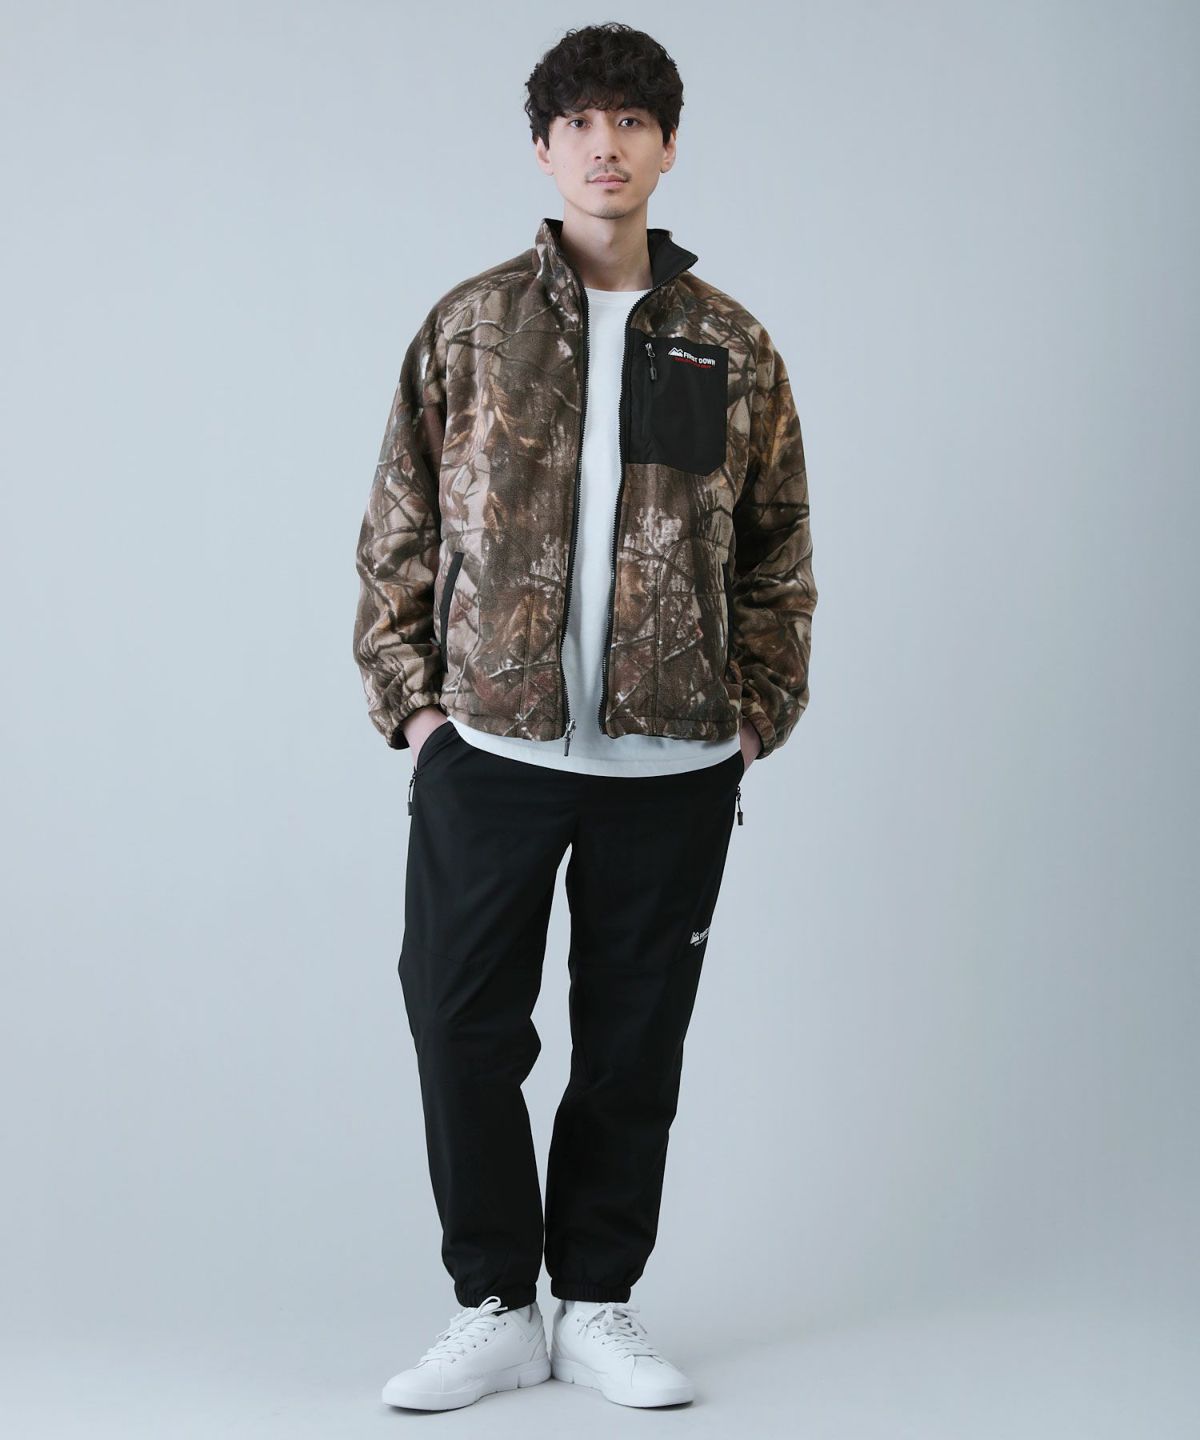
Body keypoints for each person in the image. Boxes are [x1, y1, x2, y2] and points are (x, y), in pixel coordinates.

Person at [352, 21, 816, 1412]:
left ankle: (599, 1300)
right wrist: (415, 710)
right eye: (579, 123)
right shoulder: (472, 326)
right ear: (543, 148)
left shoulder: (732, 343)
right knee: (460, 1022)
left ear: (667, 147)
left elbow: (778, 547)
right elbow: (398, 526)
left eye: (631, 121)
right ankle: (495, 1306)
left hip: (674, 762)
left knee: (632, 1041)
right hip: (488, 750)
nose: (604, 146)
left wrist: (754, 713)